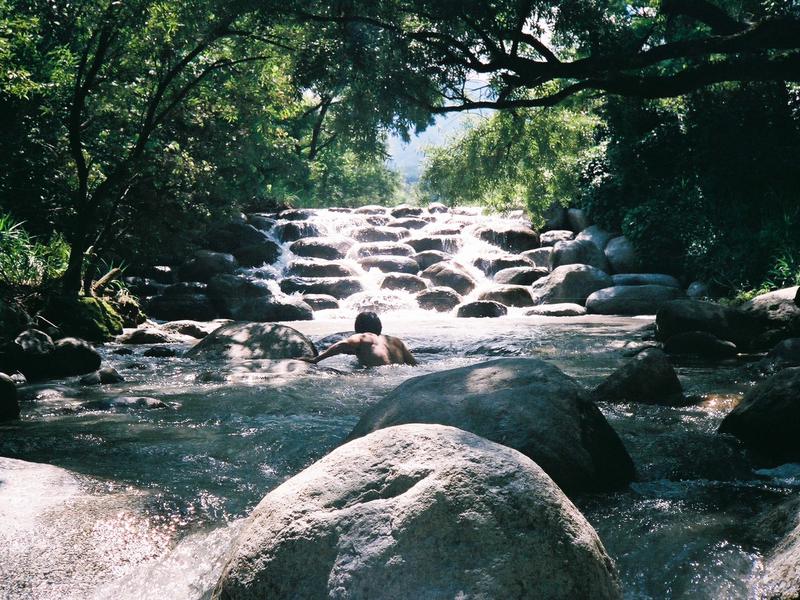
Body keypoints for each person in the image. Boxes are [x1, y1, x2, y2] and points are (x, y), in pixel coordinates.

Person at [304, 312, 417, 367]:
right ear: (380, 327)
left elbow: (341, 345)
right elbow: (414, 364)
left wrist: (316, 359)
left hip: (377, 378)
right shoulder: (396, 341)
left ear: (358, 327)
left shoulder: (363, 337)